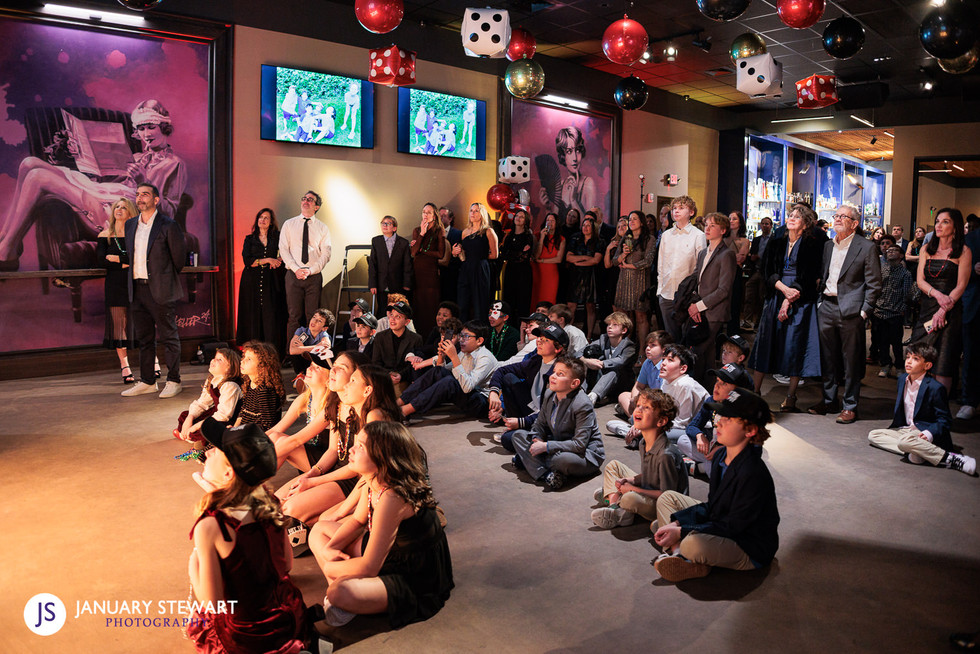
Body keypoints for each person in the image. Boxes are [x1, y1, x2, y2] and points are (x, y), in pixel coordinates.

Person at [0, 99, 188, 271]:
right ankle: (7, 238)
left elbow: (168, 214)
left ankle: (7, 250)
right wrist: (82, 157)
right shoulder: (137, 157)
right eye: (141, 128)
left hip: (124, 217)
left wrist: (143, 182)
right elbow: (106, 182)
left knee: (38, 177)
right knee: (29, 163)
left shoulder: (174, 164)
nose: (146, 134)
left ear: (163, 127)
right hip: (106, 196)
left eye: (151, 127)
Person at [309, 421, 454, 628]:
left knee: (338, 592)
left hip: (410, 573)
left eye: (361, 446)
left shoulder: (392, 498)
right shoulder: (372, 479)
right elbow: (357, 520)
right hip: (388, 551)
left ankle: (344, 597)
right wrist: (331, 548)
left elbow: (369, 566)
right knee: (318, 531)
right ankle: (348, 598)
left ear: (382, 458)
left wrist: (331, 566)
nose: (351, 449)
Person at [186, 422, 309, 653]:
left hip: (247, 636)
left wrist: (194, 567)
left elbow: (213, 605)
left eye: (215, 451)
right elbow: (286, 565)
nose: (208, 453)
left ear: (228, 473)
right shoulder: (270, 502)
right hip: (288, 621)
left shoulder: (212, 525)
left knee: (198, 620)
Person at [652, 388, 778, 582]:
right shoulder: (721, 456)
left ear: (750, 430)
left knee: (691, 543)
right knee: (667, 498)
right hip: (723, 525)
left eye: (728, 419)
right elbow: (713, 508)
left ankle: (683, 551)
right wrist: (677, 523)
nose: (719, 422)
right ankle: (680, 554)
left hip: (748, 546)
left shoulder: (752, 473)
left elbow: (733, 527)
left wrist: (683, 530)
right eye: (720, 416)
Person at [279, 360, 399, 526]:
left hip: (359, 483)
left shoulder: (373, 416)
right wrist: (312, 474)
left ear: (367, 390)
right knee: (277, 501)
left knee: (289, 510)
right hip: (341, 473)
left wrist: (313, 482)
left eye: (352, 380)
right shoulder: (348, 407)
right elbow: (333, 450)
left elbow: (360, 472)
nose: (346, 385)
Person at [747, 204, 825, 412]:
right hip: (776, 293)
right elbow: (767, 270)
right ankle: (755, 391)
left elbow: (810, 275)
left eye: (797, 217)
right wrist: (783, 290)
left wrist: (790, 298)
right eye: (790, 215)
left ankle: (791, 396)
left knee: (794, 345)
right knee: (766, 342)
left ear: (805, 224)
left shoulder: (811, 245)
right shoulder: (776, 242)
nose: (791, 218)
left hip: (801, 299)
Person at [810, 205, 881, 424]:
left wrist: (864, 311)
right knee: (828, 359)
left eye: (843, 216)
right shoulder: (828, 245)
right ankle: (829, 400)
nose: (838, 219)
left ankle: (850, 406)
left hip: (852, 311)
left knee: (851, 361)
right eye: (836, 215)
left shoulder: (866, 247)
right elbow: (825, 276)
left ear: (855, 223)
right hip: (827, 306)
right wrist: (820, 302)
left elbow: (874, 283)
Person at [121, 182, 187, 399]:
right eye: (138, 194)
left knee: (169, 337)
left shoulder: (168, 225)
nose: (140, 198)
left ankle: (174, 380)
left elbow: (179, 259)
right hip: (137, 288)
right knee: (144, 338)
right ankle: (148, 381)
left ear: (156, 200)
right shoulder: (130, 225)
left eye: (145, 195)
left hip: (161, 289)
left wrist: (163, 279)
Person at [868, 342, 974, 475]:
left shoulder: (935, 387)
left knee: (904, 442)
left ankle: (950, 458)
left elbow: (945, 420)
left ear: (927, 365)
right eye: (908, 357)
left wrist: (929, 434)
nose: (909, 361)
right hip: (906, 430)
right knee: (874, 435)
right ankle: (918, 452)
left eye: (915, 359)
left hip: (923, 431)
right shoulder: (902, 380)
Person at [592, 388, 688, 529]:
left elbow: (666, 495)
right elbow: (651, 477)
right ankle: (614, 506)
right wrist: (630, 480)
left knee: (629, 498)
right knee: (614, 466)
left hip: (663, 505)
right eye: (638, 406)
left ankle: (615, 500)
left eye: (646, 408)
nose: (638, 410)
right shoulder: (643, 443)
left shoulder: (666, 454)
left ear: (661, 421)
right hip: (649, 490)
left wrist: (632, 489)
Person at [511, 356, 605, 490]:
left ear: (574, 383)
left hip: (583, 454)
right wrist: (537, 438)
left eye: (560, 374)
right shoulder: (550, 394)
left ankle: (530, 462)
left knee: (560, 460)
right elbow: (539, 423)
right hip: (558, 444)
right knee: (518, 435)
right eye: (554, 372)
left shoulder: (582, 404)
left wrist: (545, 447)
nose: (553, 376)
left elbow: (579, 445)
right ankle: (547, 474)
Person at [910, 208, 972, 394]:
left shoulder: (963, 251)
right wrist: (938, 296)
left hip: (950, 313)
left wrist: (943, 310)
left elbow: (961, 285)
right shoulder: (925, 249)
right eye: (937, 221)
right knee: (917, 357)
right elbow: (920, 281)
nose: (938, 225)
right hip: (927, 309)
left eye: (945, 222)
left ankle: (939, 407)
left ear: (955, 227)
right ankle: (916, 406)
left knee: (943, 363)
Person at [487, 322, 568, 451]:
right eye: (539, 338)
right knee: (509, 378)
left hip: (548, 423)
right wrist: (494, 392)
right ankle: (520, 431)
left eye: (545, 340)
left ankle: (535, 438)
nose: (539, 341)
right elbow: (502, 370)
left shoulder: (560, 373)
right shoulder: (536, 361)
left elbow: (551, 413)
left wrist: (522, 422)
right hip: (532, 410)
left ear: (558, 349)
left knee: (507, 440)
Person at [398, 320, 494, 419]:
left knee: (450, 382)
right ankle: (398, 403)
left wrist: (454, 357)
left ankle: (404, 411)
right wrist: (441, 356)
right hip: (467, 393)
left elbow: (467, 387)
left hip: (481, 402)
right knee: (438, 371)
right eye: (461, 336)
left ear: (479, 341)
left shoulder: (485, 357)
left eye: (466, 336)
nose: (461, 340)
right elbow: (441, 372)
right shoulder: (465, 352)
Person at [685, 212, 737, 385]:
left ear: (723, 230)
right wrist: (693, 303)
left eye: (712, 225)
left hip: (715, 311)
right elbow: (697, 281)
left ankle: (696, 388)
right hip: (700, 308)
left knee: (698, 350)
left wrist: (698, 306)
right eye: (706, 225)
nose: (707, 228)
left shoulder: (727, 254)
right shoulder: (703, 253)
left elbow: (724, 289)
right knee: (707, 353)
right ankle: (709, 389)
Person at [267, 344, 334, 472]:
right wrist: (248, 443)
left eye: (317, 367)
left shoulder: (330, 405)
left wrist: (254, 455)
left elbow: (297, 441)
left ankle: (250, 478)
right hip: (309, 455)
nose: (309, 369)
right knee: (275, 436)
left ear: (329, 379)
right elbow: (276, 429)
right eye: (311, 365)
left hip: (325, 462)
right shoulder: (305, 398)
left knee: (284, 442)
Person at [681, 362, 753, 478]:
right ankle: (708, 465)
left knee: (720, 466)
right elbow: (692, 426)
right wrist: (699, 436)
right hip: (713, 445)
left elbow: (750, 446)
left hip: (732, 453)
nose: (717, 386)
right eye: (717, 381)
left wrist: (722, 450)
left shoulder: (744, 410)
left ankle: (703, 467)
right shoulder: (711, 401)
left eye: (724, 383)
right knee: (683, 440)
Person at [280, 191, 332, 346]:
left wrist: (310, 270)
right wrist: (296, 269)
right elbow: (283, 249)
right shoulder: (289, 224)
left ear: (316, 207)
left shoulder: (322, 228)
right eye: (304, 198)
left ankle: (310, 351)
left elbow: (326, 253)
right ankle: (292, 352)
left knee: (313, 317)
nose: (306, 201)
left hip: (313, 276)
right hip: (293, 275)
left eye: (310, 200)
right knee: (294, 316)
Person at [236, 207, 287, 357]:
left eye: (266, 218)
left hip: (271, 280)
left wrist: (278, 260)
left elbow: (287, 251)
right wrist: (268, 260)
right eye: (260, 217)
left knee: (271, 315)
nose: (262, 220)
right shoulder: (250, 239)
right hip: (251, 281)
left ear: (271, 222)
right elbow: (247, 261)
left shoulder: (277, 237)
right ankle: (253, 353)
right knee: (253, 314)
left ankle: (272, 354)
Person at [97, 198, 136, 383]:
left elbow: (139, 258)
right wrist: (124, 263)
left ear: (130, 213)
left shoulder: (136, 234)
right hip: (114, 285)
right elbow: (101, 261)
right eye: (117, 207)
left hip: (135, 282)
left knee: (141, 323)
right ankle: (125, 365)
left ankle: (153, 361)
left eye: (124, 207)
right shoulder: (104, 235)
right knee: (119, 326)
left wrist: (117, 259)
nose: (119, 210)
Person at [658, 196, 707, 342]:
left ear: (691, 212)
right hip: (666, 293)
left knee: (686, 338)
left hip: (686, 295)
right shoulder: (666, 235)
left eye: (681, 208)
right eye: (674, 208)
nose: (676, 211)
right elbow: (661, 264)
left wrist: (696, 297)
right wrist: (660, 291)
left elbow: (700, 268)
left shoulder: (698, 236)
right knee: (670, 337)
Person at [174, 347, 243, 443]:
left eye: (220, 359)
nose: (213, 360)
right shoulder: (211, 380)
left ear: (229, 368)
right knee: (185, 415)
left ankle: (192, 437)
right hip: (215, 413)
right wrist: (190, 418)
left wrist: (196, 426)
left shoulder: (230, 386)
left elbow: (224, 415)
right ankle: (189, 435)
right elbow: (202, 403)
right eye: (214, 357)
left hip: (226, 419)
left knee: (210, 429)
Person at [613, 210, 656, 349]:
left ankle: (642, 350)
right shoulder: (626, 238)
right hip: (624, 280)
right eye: (630, 219)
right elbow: (614, 261)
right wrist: (623, 254)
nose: (631, 221)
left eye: (634, 219)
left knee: (641, 317)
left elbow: (648, 261)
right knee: (624, 317)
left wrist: (629, 266)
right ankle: (625, 348)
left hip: (640, 281)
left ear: (642, 222)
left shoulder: (650, 239)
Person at [452, 203, 499, 322]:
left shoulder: (488, 231)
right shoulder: (465, 232)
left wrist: (480, 255)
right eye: (471, 210)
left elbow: (495, 255)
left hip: (480, 268)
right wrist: (455, 252)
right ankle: (463, 329)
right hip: (466, 269)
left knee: (480, 304)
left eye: (476, 211)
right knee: (462, 303)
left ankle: (480, 330)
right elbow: (463, 255)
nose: (472, 213)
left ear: (482, 214)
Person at [873, 245, 914, 378]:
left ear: (901, 255)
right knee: (882, 341)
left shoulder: (905, 274)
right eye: (888, 250)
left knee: (896, 343)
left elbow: (907, 295)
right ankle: (885, 365)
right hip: (880, 311)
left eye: (894, 250)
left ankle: (899, 366)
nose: (890, 252)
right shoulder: (882, 270)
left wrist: (902, 310)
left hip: (895, 312)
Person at [538, 126, 596, 219]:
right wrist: (547, 207)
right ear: (563, 156)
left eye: (578, 150)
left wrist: (573, 200)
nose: (575, 158)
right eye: (569, 151)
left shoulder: (588, 183)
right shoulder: (561, 185)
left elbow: (589, 224)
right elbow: (555, 221)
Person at [582, 311, 637, 406]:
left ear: (624, 330)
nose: (610, 327)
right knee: (586, 361)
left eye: (615, 325)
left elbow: (621, 360)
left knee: (614, 369)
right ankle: (581, 392)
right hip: (602, 381)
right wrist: (586, 361)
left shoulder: (629, 346)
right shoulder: (603, 339)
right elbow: (580, 352)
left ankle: (592, 396)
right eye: (608, 324)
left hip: (621, 384)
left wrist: (601, 363)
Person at [615, 330, 671, 422]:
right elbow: (638, 386)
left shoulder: (665, 366)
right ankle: (637, 420)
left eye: (653, 345)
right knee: (623, 396)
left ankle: (638, 421)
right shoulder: (647, 362)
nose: (648, 349)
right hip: (649, 399)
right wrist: (635, 399)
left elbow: (663, 397)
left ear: (663, 349)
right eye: (647, 346)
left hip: (660, 402)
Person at [371, 300, 424, 395]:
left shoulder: (416, 339)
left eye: (398, 317)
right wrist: (388, 375)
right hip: (383, 378)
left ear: (407, 322)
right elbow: (376, 363)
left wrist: (401, 375)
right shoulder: (380, 337)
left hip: (405, 380)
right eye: (391, 315)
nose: (392, 319)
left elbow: (414, 366)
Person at [565, 213, 605, 338]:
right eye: (584, 225)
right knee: (571, 306)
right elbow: (568, 257)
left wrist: (578, 261)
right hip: (575, 276)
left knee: (590, 306)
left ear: (593, 228)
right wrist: (585, 258)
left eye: (588, 226)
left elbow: (596, 260)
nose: (585, 228)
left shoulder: (599, 241)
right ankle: (567, 335)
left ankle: (588, 336)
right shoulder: (575, 238)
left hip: (591, 276)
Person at [409, 203, 446, 336]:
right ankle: (418, 336)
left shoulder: (439, 230)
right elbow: (413, 252)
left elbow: (440, 254)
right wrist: (422, 234)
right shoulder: (417, 230)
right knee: (418, 305)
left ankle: (432, 335)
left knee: (430, 305)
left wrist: (423, 250)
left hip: (431, 273)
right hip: (418, 272)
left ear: (434, 215)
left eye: (429, 212)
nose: (425, 214)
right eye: (424, 212)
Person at [236, 341, 285, 432]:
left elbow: (267, 425)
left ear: (262, 365)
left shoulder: (264, 390)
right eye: (244, 357)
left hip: (255, 435)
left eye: (249, 359)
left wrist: (239, 432)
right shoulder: (249, 383)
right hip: (244, 431)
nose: (242, 361)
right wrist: (234, 428)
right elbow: (243, 411)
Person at [369, 215, 413, 315]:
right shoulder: (376, 241)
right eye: (383, 223)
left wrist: (407, 284)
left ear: (394, 228)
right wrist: (372, 284)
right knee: (382, 311)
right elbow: (372, 264)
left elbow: (407, 265)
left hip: (397, 284)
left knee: (397, 311)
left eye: (388, 223)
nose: (384, 225)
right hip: (381, 284)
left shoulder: (403, 243)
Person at [958, 225, 980, 419]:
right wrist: (974, 269)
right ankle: (969, 401)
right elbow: (957, 271)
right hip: (975, 306)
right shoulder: (971, 239)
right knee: (971, 355)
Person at [500, 208, 535, 322]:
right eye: (517, 216)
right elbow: (504, 255)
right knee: (508, 300)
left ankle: (521, 327)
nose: (518, 218)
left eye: (521, 217)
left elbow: (523, 257)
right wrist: (518, 252)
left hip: (523, 273)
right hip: (510, 270)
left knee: (522, 301)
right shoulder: (509, 236)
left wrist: (513, 253)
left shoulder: (528, 236)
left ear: (526, 221)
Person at [742, 216, 773, 330]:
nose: (764, 226)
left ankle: (759, 323)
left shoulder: (774, 240)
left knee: (762, 299)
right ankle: (747, 321)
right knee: (748, 296)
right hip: (755, 270)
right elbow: (751, 254)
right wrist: (752, 258)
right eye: (763, 224)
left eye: (767, 224)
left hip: (765, 273)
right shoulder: (756, 239)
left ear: (771, 226)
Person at [288, 308, 334, 383]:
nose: (314, 321)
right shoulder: (301, 330)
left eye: (319, 321)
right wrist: (315, 347)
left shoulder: (324, 334)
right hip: (304, 364)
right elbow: (292, 350)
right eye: (314, 317)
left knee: (325, 354)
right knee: (295, 354)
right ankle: (300, 375)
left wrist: (302, 348)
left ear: (324, 328)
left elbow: (326, 346)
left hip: (317, 365)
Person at [531, 212, 565, 307]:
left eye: (552, 220)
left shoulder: (561, 239)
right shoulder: (537, 236)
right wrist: (542, 238)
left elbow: (558, 259)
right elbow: (536, 255)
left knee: (549, 297)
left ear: (556, 223)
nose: (549, 222)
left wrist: (542, 261)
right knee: (536, 297)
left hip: (551, 272)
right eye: (547, 220)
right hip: (538, 271)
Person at [726, 211, 752, 335]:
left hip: (735, 273)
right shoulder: (723, 238)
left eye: (734, 219)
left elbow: (740, 259)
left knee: (734, 303)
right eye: (730, 218)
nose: (731, 221)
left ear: (740, 222)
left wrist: (725, 257)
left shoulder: (744, 241)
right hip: (722, 272)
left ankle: (733, 332)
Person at [438, 206, 462, 304]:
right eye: (439, 215)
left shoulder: (458, 234)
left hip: (452, 274)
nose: (441, 218)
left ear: (450, 219)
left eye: (444, 215)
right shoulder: (433, 234)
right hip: (437, 274)